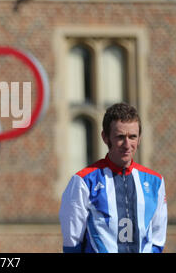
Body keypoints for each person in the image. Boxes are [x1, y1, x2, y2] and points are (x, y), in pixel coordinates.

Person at [59, 103, 167, 253]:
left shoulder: (156, 182)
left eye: (132, 137)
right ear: (105, 137)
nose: (127, 144)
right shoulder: (83, 181)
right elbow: (72, 243)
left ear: (139, 138)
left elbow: (157, 240)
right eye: (120, 137)